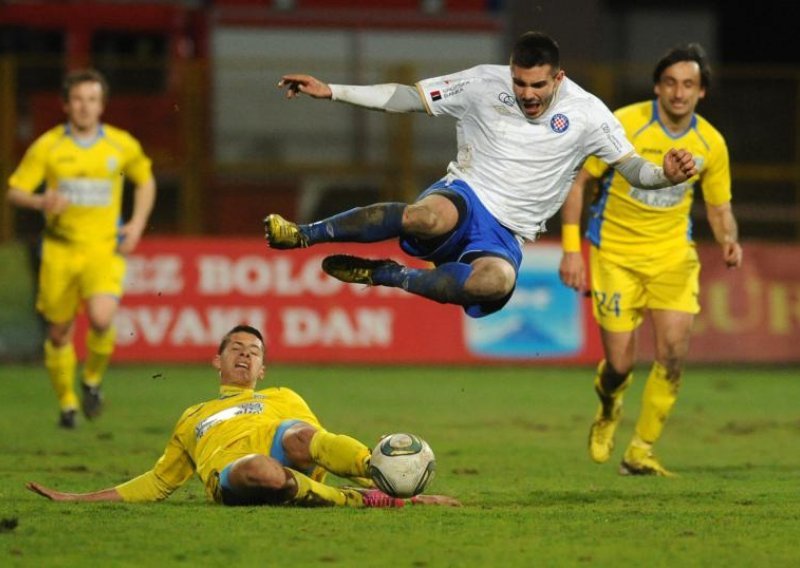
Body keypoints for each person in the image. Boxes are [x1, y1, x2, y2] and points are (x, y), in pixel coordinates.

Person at [264, 31, 697, 319]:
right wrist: (332, 91)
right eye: (519, 83)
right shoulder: (481, 83)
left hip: (507, 232)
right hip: (466, 195)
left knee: (497, 281)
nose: (526, 94)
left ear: (558, 78)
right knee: (426, 217)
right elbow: (407, 97)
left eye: (538, 86)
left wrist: (666, 174)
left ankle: (386, 275)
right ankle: (303, 234)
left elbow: (633, 169)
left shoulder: (589, 114)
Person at [558, 44, 743, 476]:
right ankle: (609, 406)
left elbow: (718, 207)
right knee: (620, 365)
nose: (679, 93)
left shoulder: (711, 144)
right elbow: (578, 182)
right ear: (658, 86)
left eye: (689, 85)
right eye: (671, 83)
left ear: (702, 93)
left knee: (673, 354)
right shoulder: (624, 124)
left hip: (673, 259)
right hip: (615, 257)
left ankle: (641, 449)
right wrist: (571, 250)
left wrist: (729, 239)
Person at [27, 325, 460, 508]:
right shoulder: (193, 416)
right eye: (235, 348)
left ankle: (380, 473)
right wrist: (79, 499)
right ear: (217, 361)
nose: (244, 355)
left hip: (289, 453)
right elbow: (159, 482)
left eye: (254, 352)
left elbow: (322, 447)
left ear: (262, 369)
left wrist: (397, 489)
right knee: (263, 471)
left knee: (300, 434)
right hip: (235, 475)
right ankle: (359, 502)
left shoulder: (283, 395)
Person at [5, 68, 156, 429]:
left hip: (103, 250)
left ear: (102, 105)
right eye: (78, 100)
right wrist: (42, 201)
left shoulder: (120, 144)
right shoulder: (49, 146)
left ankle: (90, 380)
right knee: (58, 332)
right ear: (66, 105)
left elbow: (145, 180)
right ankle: (68, 404)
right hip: (59, 251)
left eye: (92, 99)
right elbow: (14, 191)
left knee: (103, 319)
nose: (85, 107)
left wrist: (136, 223)